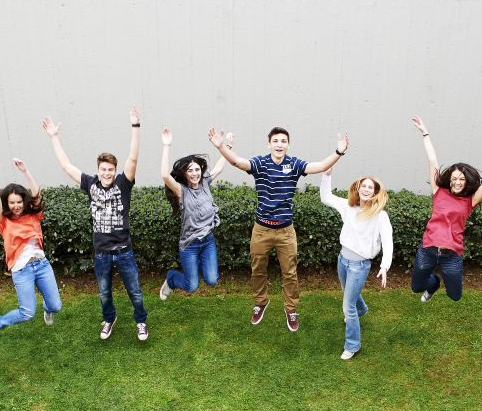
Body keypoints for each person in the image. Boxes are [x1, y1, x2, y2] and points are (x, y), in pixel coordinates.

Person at [208, 125, 348, 331]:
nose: (279, 144)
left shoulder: (295, 164)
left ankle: (291, 309)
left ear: (288, 144)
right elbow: (237, 162)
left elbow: (319, 166)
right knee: (257, 269)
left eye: (283, 141)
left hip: (285, 231)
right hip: (261, 229)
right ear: (269, 144)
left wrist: (339, 152)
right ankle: (260, 303)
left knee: (290, 272)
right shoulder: (260, 163)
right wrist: (221, 147)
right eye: (276, 141)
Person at [42, 109, 148, 341]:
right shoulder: (91, 184)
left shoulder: (123, 183)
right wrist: (54, 137)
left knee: (135, 292)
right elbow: (66, 165)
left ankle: (141, 321)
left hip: (123, 252)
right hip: (101, 254)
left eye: (110, 169)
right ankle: (109, 319)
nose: (107, 173)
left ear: (114, 170)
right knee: (104, 293)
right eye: (103, 169)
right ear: (98, 170)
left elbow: (133, 158)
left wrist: (135, 126)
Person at [409, 115, 482, 302]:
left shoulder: (469, 201)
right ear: (450, 179)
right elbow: (433, 161)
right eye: (455, 178)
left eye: (462, 179)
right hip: (428, 250)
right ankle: (433, 283)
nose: (457, 182)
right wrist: (425, 133)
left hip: (451, 255)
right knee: (417, 287)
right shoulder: (438, 192)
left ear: (467, 182)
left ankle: (441, 281)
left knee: (455, 296)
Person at [319, 166, 393, 360]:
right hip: (342, 261)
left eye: (371, 187)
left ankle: (352, 345)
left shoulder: (380, 216)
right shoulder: (349, 207)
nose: (367, 189)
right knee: (348, 297)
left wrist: (385, 266)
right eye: (364, 186)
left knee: (347, 307)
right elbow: (326, 197)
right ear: (358, 189)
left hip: (359, 266)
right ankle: (361, 309)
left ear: (376, 193)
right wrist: (327, 175)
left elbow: (388, 241)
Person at [0, 156, 62, 338]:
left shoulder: (33, 215)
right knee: (27, 313)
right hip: (22, 270)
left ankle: (48, 309)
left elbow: (37, 195)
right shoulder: (3, 221)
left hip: (42, 265)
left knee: (56, 306)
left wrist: (25, 171)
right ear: (8, 203)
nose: (16, 206)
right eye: (12, 203)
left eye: (19, 202)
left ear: (23, 201)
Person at [158, 127, 232, 299]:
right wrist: (166, 145)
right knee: (191, 286)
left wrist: (226, 146)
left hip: (207, 241)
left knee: (212, 280)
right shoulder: (181, 191)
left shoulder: (205, 182)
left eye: (197, 169)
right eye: (190, 170)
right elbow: (164, 175)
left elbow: (220, 167)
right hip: (189, 245)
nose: (195, 173)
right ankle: (171, 279)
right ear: (184, 173)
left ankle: (198, 265)